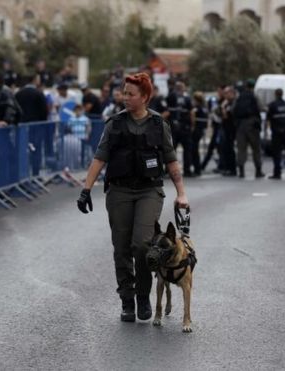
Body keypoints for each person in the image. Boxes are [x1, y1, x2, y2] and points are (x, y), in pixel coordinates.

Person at [76, 73, 189, 323]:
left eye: (131, 94)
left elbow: (171, 161)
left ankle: (142, 295)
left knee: (142, 244)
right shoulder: (114, 124)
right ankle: (127, 298)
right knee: (122, 247)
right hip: (119, 191)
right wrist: (86, 189)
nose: (125, 97)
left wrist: (181, 193)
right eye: (123, 93)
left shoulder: (159, 124)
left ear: (145, 97)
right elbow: (99, 157)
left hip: (149, 190)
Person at [233, 79, 264, 178]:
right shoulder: (254, 96)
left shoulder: (239, 97)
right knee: (256, 149)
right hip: (252, 124)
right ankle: (258, 171)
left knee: (241, 149)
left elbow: (234, 109)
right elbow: (260, 107)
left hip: (241, 125)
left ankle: (241, 171)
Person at [266, 88, 285, 180]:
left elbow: (269, 118)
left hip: (277, 132)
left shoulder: (272, 105)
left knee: (277, 153)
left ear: (275, 94)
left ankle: (277, 173)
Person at [166, 81, 194, 176]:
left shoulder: (170, 97)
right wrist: (192, 125)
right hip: (185, 127)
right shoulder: (187, 98)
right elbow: (191, 112)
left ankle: (169, 170)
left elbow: (167, 111)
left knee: (172, 150)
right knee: (187, 149)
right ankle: (187, 170)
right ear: (183, 88)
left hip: (174, 127)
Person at [201, 86, 225, 173]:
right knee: (213, 147)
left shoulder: (223, 102)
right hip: (216, 127)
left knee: (219, 148)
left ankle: (220, 165)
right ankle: (203, 165)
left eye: (220, 91)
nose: (219, 93)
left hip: (221, 127)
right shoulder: (217, 101)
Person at [219, 86, 238, 176]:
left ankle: (232, 169)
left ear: (232, 93)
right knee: (226, 149)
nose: (225, 95)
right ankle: (227, 168)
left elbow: (226, 115)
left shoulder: (234, 103)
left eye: (227, 93)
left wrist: (223, 107)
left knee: (230, 149)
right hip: (226, 128)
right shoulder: (227, 103)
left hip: (232, 129)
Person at [190, 91, 208, 176]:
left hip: (196, 130)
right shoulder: (204, 108)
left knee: (194, 149)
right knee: (195, 149)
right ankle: (197, 168)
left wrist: (192, 127)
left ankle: (197, 169)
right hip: (201, 130)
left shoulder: (196, 108)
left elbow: (193, 117)